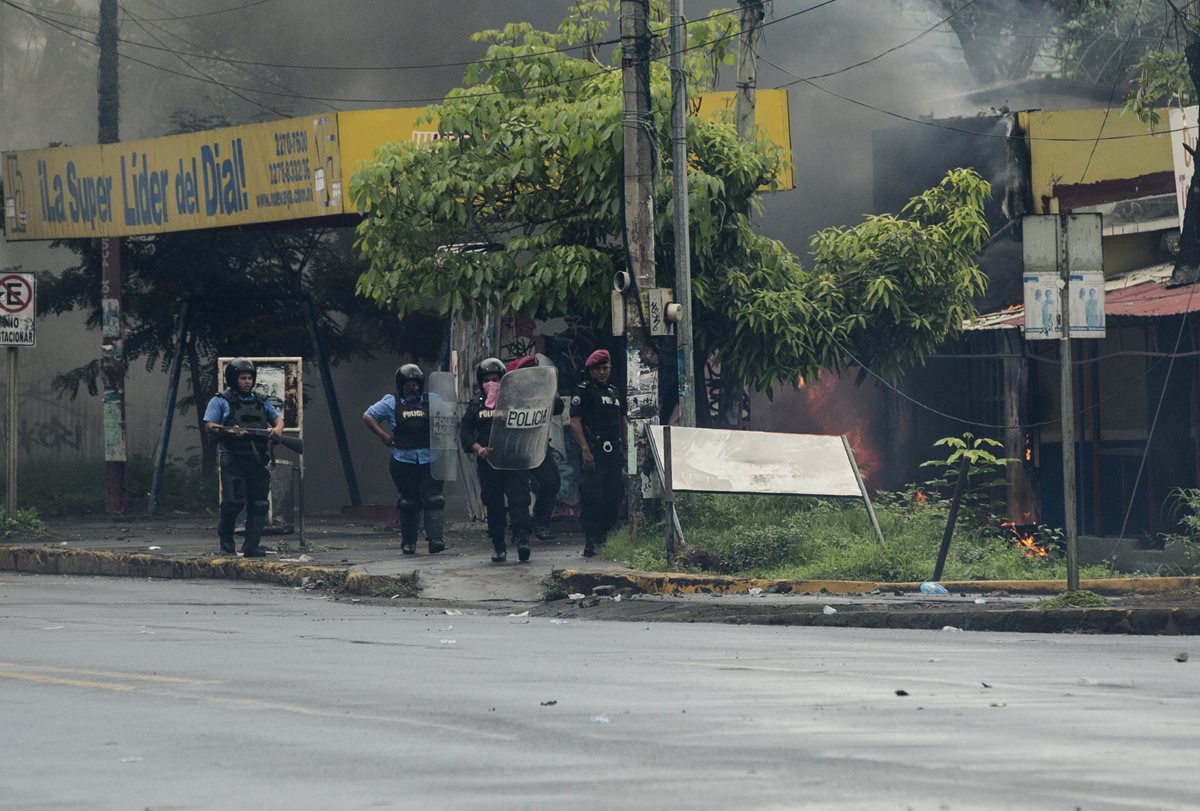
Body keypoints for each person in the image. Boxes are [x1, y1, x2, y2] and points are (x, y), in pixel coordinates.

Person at [203, 358, 284, 558]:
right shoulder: (221, 400)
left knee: (259, 504)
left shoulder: (261, 400)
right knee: (233, 502)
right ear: (233, 379)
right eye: (242, 378)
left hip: (257, 459)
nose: (247, 382)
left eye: (249, 378)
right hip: (233, 458)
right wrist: (229, 431)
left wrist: (277, 429)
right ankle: (227, 545)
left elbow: (278, 419)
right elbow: (209, 425)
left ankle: (252, 546)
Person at [362, 364, 445, 555]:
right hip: (403, 460)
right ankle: (409, 543)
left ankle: (435, 540)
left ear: (421, 384)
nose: (411, 387)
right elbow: (368, 416)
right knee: (409, 502)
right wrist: (383, 436)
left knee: (435, 499)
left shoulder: (432, 400)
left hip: (431, 458)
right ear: (400, 385)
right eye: (407, 384)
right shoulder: (392, 402)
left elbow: (448, 419)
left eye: (415, 384)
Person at [461, 358, 534, 563]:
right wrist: (478, 448)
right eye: (487, 380)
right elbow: (466, 431)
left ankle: (522, 540)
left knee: (519, 500)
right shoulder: (476, 404)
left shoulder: (515, 400)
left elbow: (530, 423)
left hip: (514, 459)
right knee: (493, 503)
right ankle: (499, 545)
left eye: (496, 379)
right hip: (489, 462)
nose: (491, 383)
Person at [569, 349, 626, 557]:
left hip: (614, 451)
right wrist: (585, 449)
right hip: (594, 451)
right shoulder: (584, 391)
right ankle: (591, 540)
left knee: (614, 495)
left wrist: (626, 448)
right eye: (598, 369)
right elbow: (575, 422)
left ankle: (606, 537)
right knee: (593, 496)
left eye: (605, 368)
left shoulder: (613, 391)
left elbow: (622, 420)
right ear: (591, 370)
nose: (603, 372)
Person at [506, 355, 562, 540]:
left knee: (551, 482)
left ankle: (541, 520)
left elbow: (559, 408)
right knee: (518, 489)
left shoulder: (541, 391)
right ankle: (519, 527)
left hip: (538, 444)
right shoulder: (510, 395)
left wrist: (549, 392)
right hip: (517, 447)